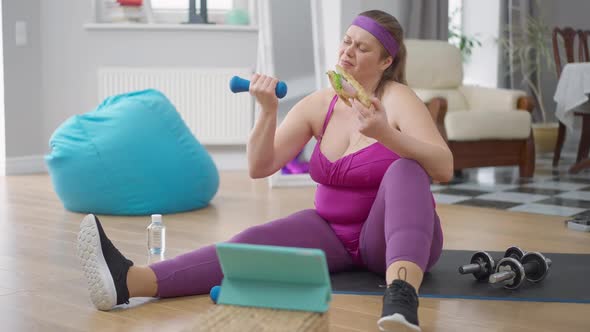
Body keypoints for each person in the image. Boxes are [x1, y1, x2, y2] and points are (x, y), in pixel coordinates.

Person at [76, 9, 452, 332]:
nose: (347, 52)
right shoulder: (318, 104)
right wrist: (268, 111)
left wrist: (386, 134)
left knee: (407, 168)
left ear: (386, 62)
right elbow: (259, 166)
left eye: (362, 47)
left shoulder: (398, 99)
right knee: (251, 242)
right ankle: (129, 281)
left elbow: (444, 167)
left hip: (391, 240)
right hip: (332, 232)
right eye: (346, 41)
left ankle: (401, 299)